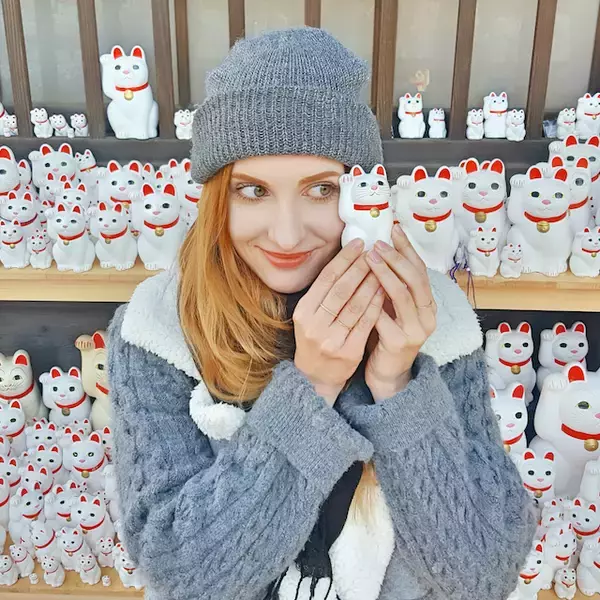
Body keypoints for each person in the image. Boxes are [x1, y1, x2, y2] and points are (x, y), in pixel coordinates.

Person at [108, 27, 535, 600]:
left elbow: (481, 576)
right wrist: (311, 386)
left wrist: (397, 385)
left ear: (364, 195)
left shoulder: (435, 322)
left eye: (321, 190)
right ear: (216, 198)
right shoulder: (161, 329)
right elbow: (184, 576)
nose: (286, 234)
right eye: (253, 191)